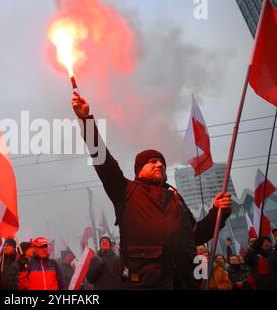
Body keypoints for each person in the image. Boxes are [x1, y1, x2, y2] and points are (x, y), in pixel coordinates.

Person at [71, 94, 232, 289]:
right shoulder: (125, 191)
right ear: (139, 170)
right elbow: (103, 162)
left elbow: (195, 235)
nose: (159, 165)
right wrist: (87, 122)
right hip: (148, 284)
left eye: (161, 163)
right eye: (152, 162)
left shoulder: (175, 198)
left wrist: (218, 212)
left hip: (184, 283)